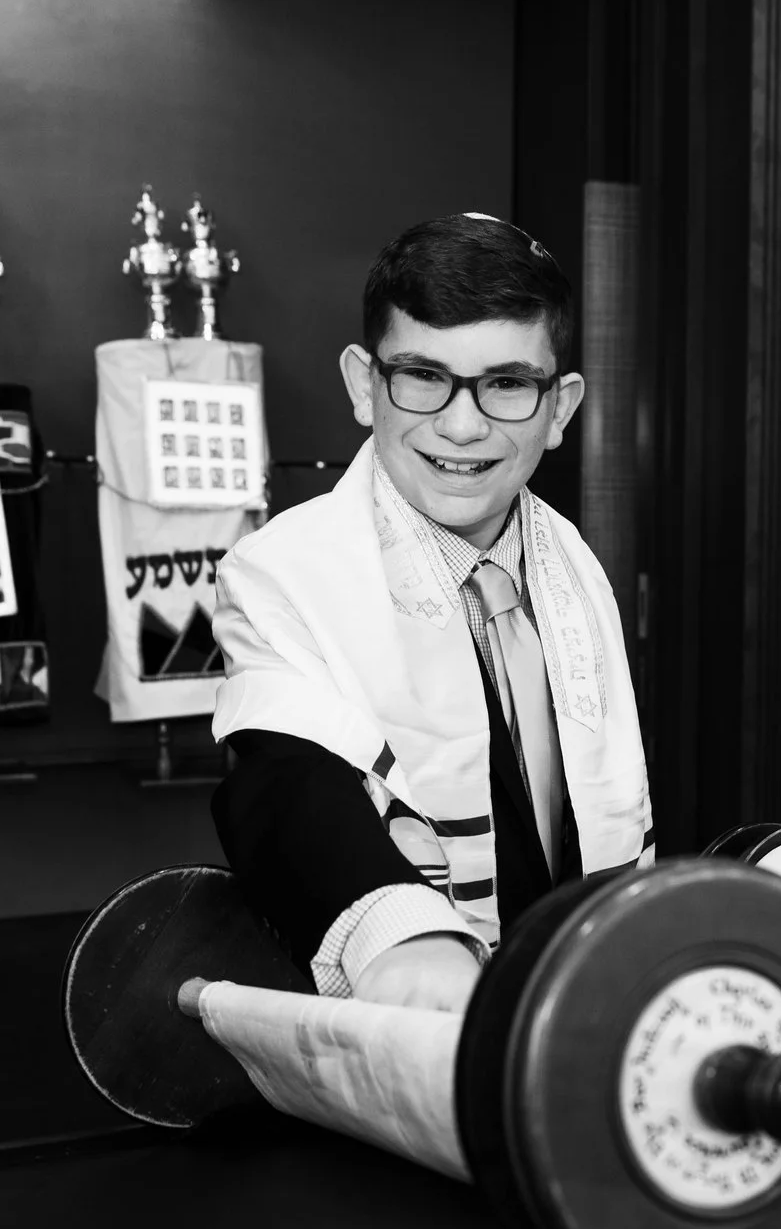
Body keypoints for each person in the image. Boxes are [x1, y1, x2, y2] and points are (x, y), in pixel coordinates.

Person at [209, 213, 652, 1014]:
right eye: (422, 375)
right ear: (361, 383)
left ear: (560, 408)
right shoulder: (283, 571)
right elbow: (283, 785)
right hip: (415, 1029)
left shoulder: (576, 566)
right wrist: (409, 943)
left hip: (581, 1010)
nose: (461, 424)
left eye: (508, 383)